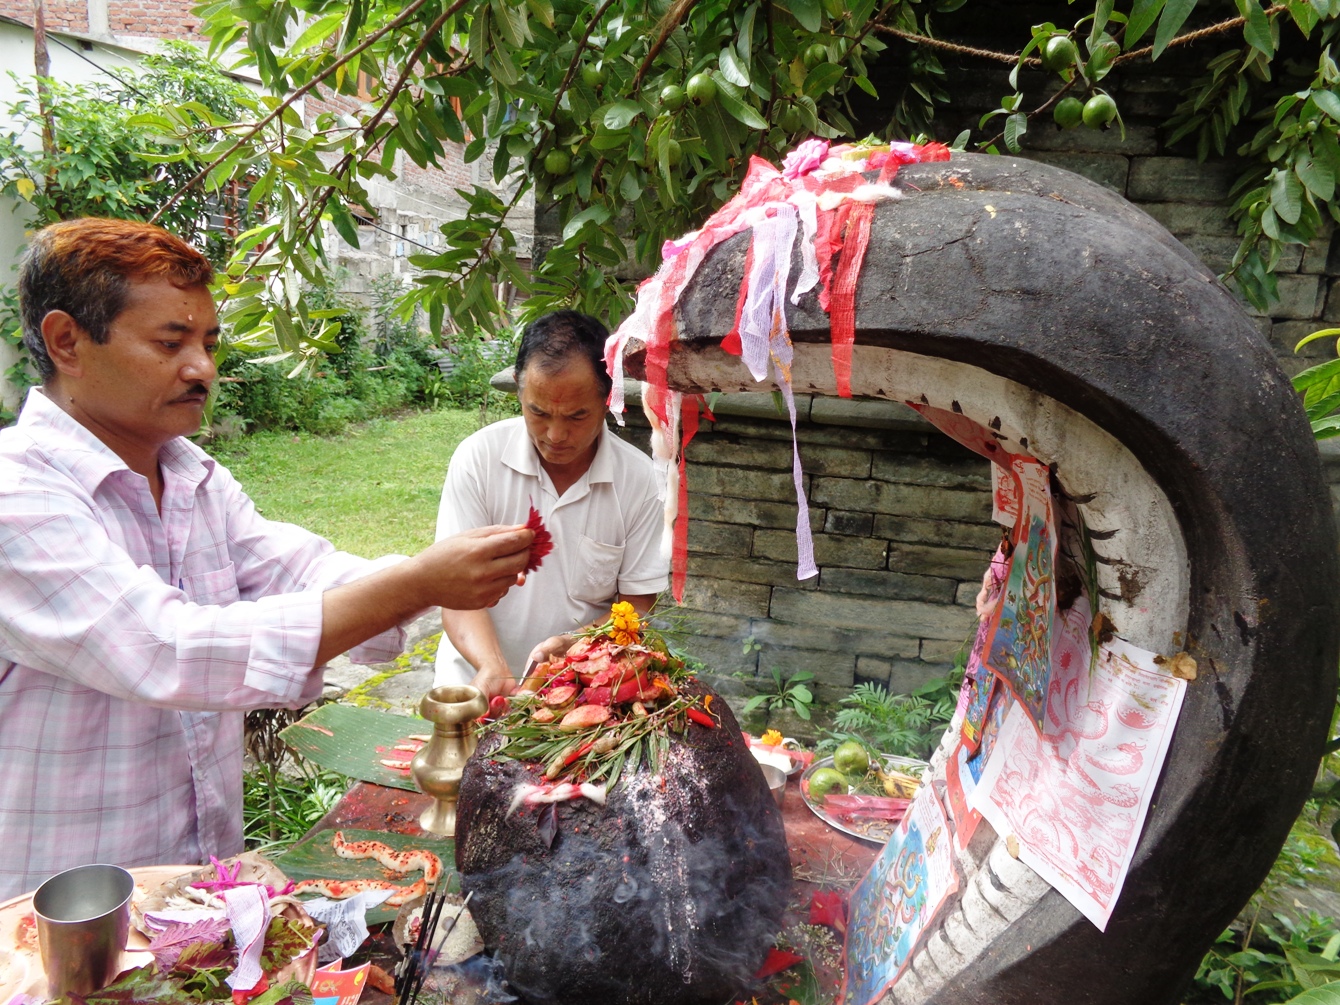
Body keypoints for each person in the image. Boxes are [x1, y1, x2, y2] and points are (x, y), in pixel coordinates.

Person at [0, 218, 533, 899]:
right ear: (67, 341)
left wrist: (437, 578)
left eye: (209, 342)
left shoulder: (196, 482)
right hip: (57, 923)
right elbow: (166, 648)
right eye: (172, 341)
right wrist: (418, 581)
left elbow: (304, 571)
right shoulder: (17, 494)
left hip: (200, 902)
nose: (202, 367)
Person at [433, 310, 668, 698]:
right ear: (520, 392)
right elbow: (452, 589)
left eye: (577, 415)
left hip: (579, 690)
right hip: (474, 685)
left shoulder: (640, 481)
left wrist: (576, 647)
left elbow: (637, 606)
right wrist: (493, 668)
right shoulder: (478, 458)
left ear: (608, 398)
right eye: (538, 412)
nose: (556, 434)